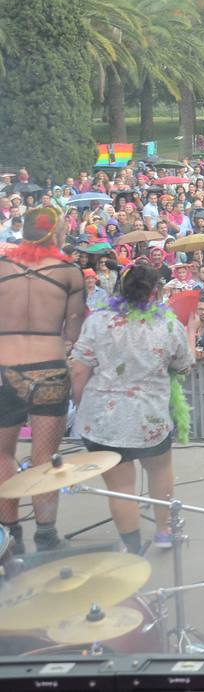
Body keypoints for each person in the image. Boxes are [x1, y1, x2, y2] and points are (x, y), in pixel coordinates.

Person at [69, 265, 194, 554]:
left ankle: (132, 547)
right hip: (149, 418)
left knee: (121, 486)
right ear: (156, 292)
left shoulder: (98, 322)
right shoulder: (169, 325)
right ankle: (164, 531)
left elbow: (78, 370)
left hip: (104, 419)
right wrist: (193, 332)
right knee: (160, 469)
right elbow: (184, 365)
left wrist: (79, 402)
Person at [0, 206, 86, 553]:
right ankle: (46, 533)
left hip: (4, 369)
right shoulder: (69, 273)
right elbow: (74, 331)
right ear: (57, 234)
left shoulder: (2, 267)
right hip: (49, 367)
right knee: (45, 457)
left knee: (2, 454)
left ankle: (9, 532)